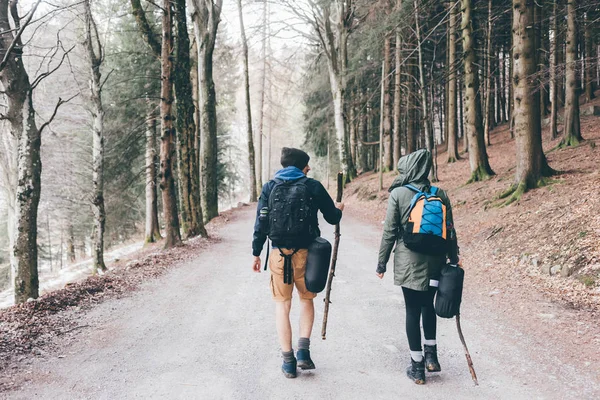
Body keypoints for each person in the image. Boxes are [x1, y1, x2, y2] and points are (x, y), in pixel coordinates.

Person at [252, 147, 344, 379]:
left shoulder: (269, 187)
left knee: (282, 306)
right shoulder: (312, 186)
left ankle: (288, 361)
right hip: (308, 255)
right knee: (306, 300)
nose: (309, 168)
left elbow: (260, 224)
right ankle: (303, 352)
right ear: (302, 166)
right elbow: (332, 217)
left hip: (278, 256)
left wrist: (256, 253)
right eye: (307, 164)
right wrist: (339, 210)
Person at [376, 149, 459, 385]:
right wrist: (453, 258)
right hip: (436, 261)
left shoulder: (398, 193)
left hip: (408, 263)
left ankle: (417, 367)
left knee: (412, 311)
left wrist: (381, 262)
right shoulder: (439, 193)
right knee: (428, 306)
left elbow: (390, 231)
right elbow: (450, 230)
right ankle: (432, 358)